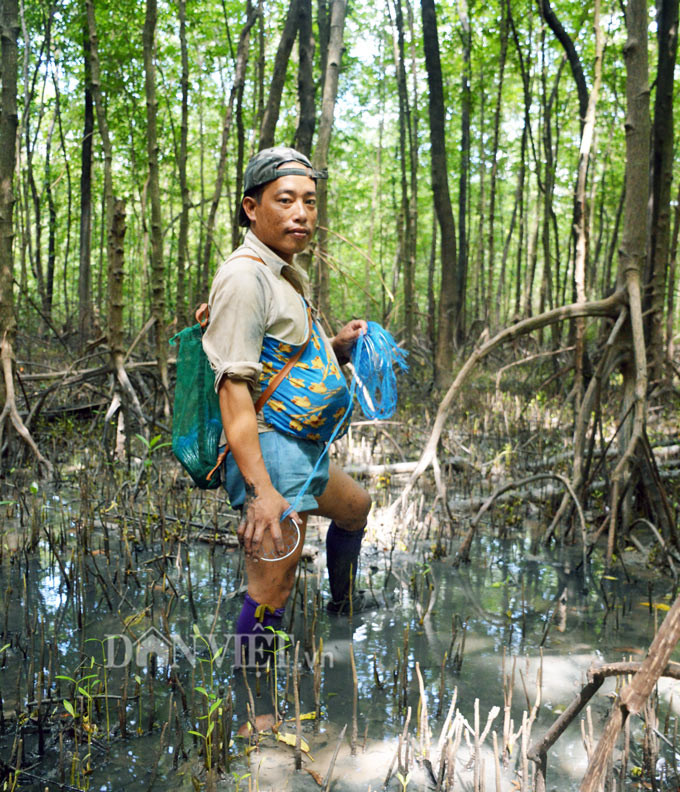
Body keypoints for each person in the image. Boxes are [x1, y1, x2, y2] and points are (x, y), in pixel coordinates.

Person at [202, 147, 372, 661]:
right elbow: (233, 391)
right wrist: (261, 492)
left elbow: (282, 354)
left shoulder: (281, 272)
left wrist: (338, 348)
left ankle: (342, 611)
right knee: (271, 591)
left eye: (311, 202)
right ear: (252, 208)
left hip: (304, 450)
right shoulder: (245, 276)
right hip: (270, 453)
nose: (302, 213)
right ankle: (254, 717)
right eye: (286, 200)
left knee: (356, 508)